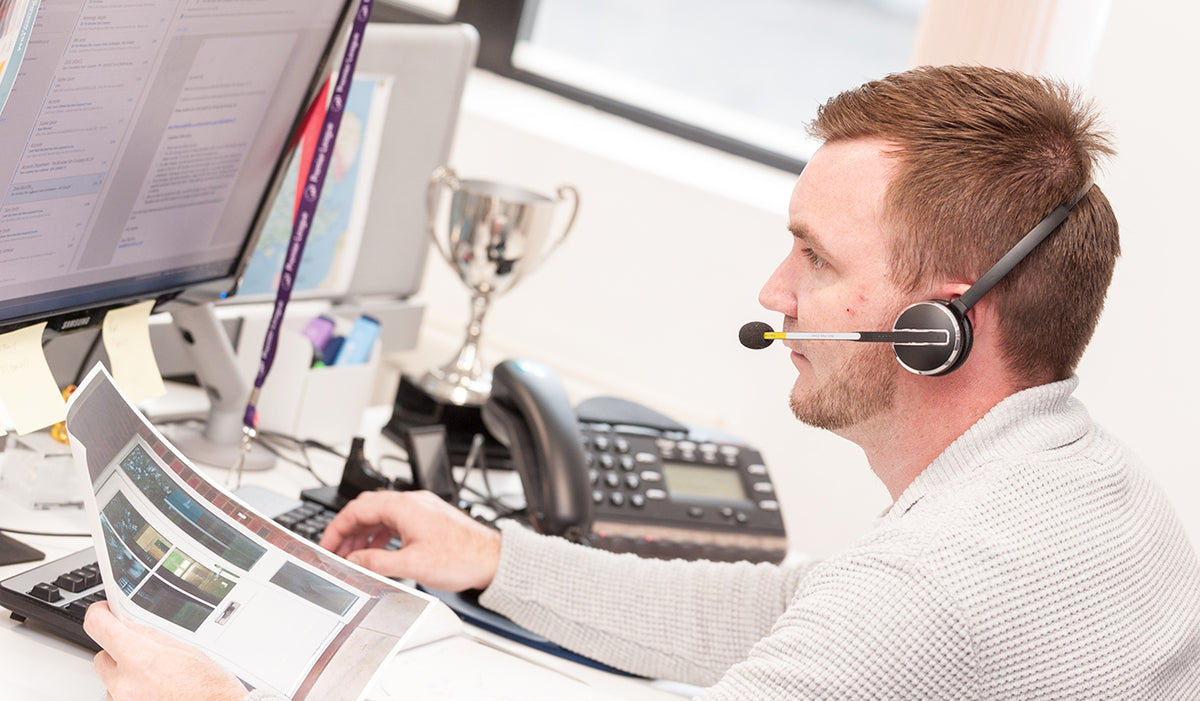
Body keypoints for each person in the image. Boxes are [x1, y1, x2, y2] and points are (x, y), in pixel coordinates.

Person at [84, 65, 1200, 699]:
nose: (776, 289)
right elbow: (792, 613)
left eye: (815, 255)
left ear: (932, 329)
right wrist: (499, 559)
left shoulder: (943, 590)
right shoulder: (1085, 488)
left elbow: (871, 623)